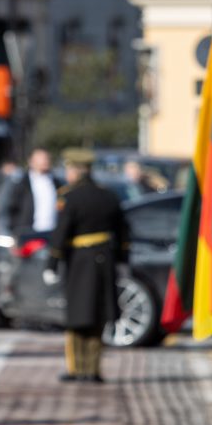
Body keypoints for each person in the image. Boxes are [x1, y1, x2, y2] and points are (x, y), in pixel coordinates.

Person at [46, 148, 127, 383]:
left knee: (77, 316)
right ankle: (93, 369)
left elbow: (60, 234)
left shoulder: (69, 197)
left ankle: (77, 369)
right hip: (104, 259)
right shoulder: (108, 195)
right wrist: (122, 260)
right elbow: (122, 231)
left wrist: (52, 263)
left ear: (76, 170)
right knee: (97, 314)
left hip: (79, 261)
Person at [7, 148, 60, 235]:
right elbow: (12, 209)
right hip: (28, 232)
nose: (45, 161)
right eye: (41, 158)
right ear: (31, 162)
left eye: (47, 158)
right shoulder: (21, 183)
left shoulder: (57, 182)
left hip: (52, 232)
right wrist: (15, 230)